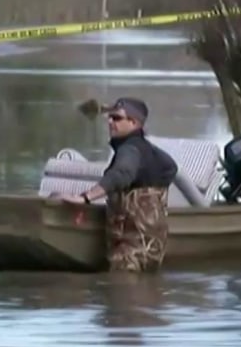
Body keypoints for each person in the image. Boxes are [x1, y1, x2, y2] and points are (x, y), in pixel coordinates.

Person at [60, 97, 178, 272]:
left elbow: (121, 174)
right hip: (150, 245)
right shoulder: (147, 150)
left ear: (133, 122)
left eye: (116, 118)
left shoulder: (130, 150)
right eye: (109, 118)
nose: (109, 122)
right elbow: (171, 168)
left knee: (122, 290)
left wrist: (85, 198)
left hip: (130, 249)